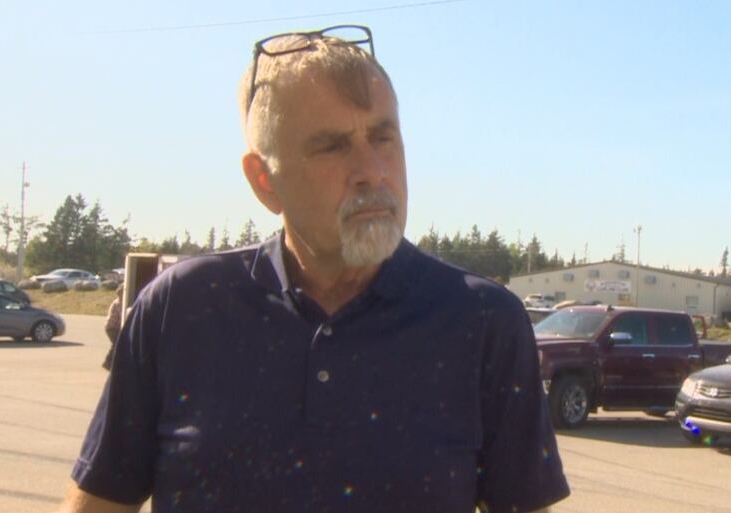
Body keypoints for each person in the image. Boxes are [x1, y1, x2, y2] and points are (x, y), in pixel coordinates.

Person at [58, 25, 569, 513]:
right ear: (264, 181)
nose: (372, 170)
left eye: (383, 137)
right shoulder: (180, 308)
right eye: (332, 145)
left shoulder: (483, 322)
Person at [101, 284, 124, 370]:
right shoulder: (118, 303)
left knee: (117, 344)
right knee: (117, 344)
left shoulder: (120, 302)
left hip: (115, 328)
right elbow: (122, 316)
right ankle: (108, 362)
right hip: (112, 328)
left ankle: (112, 363)